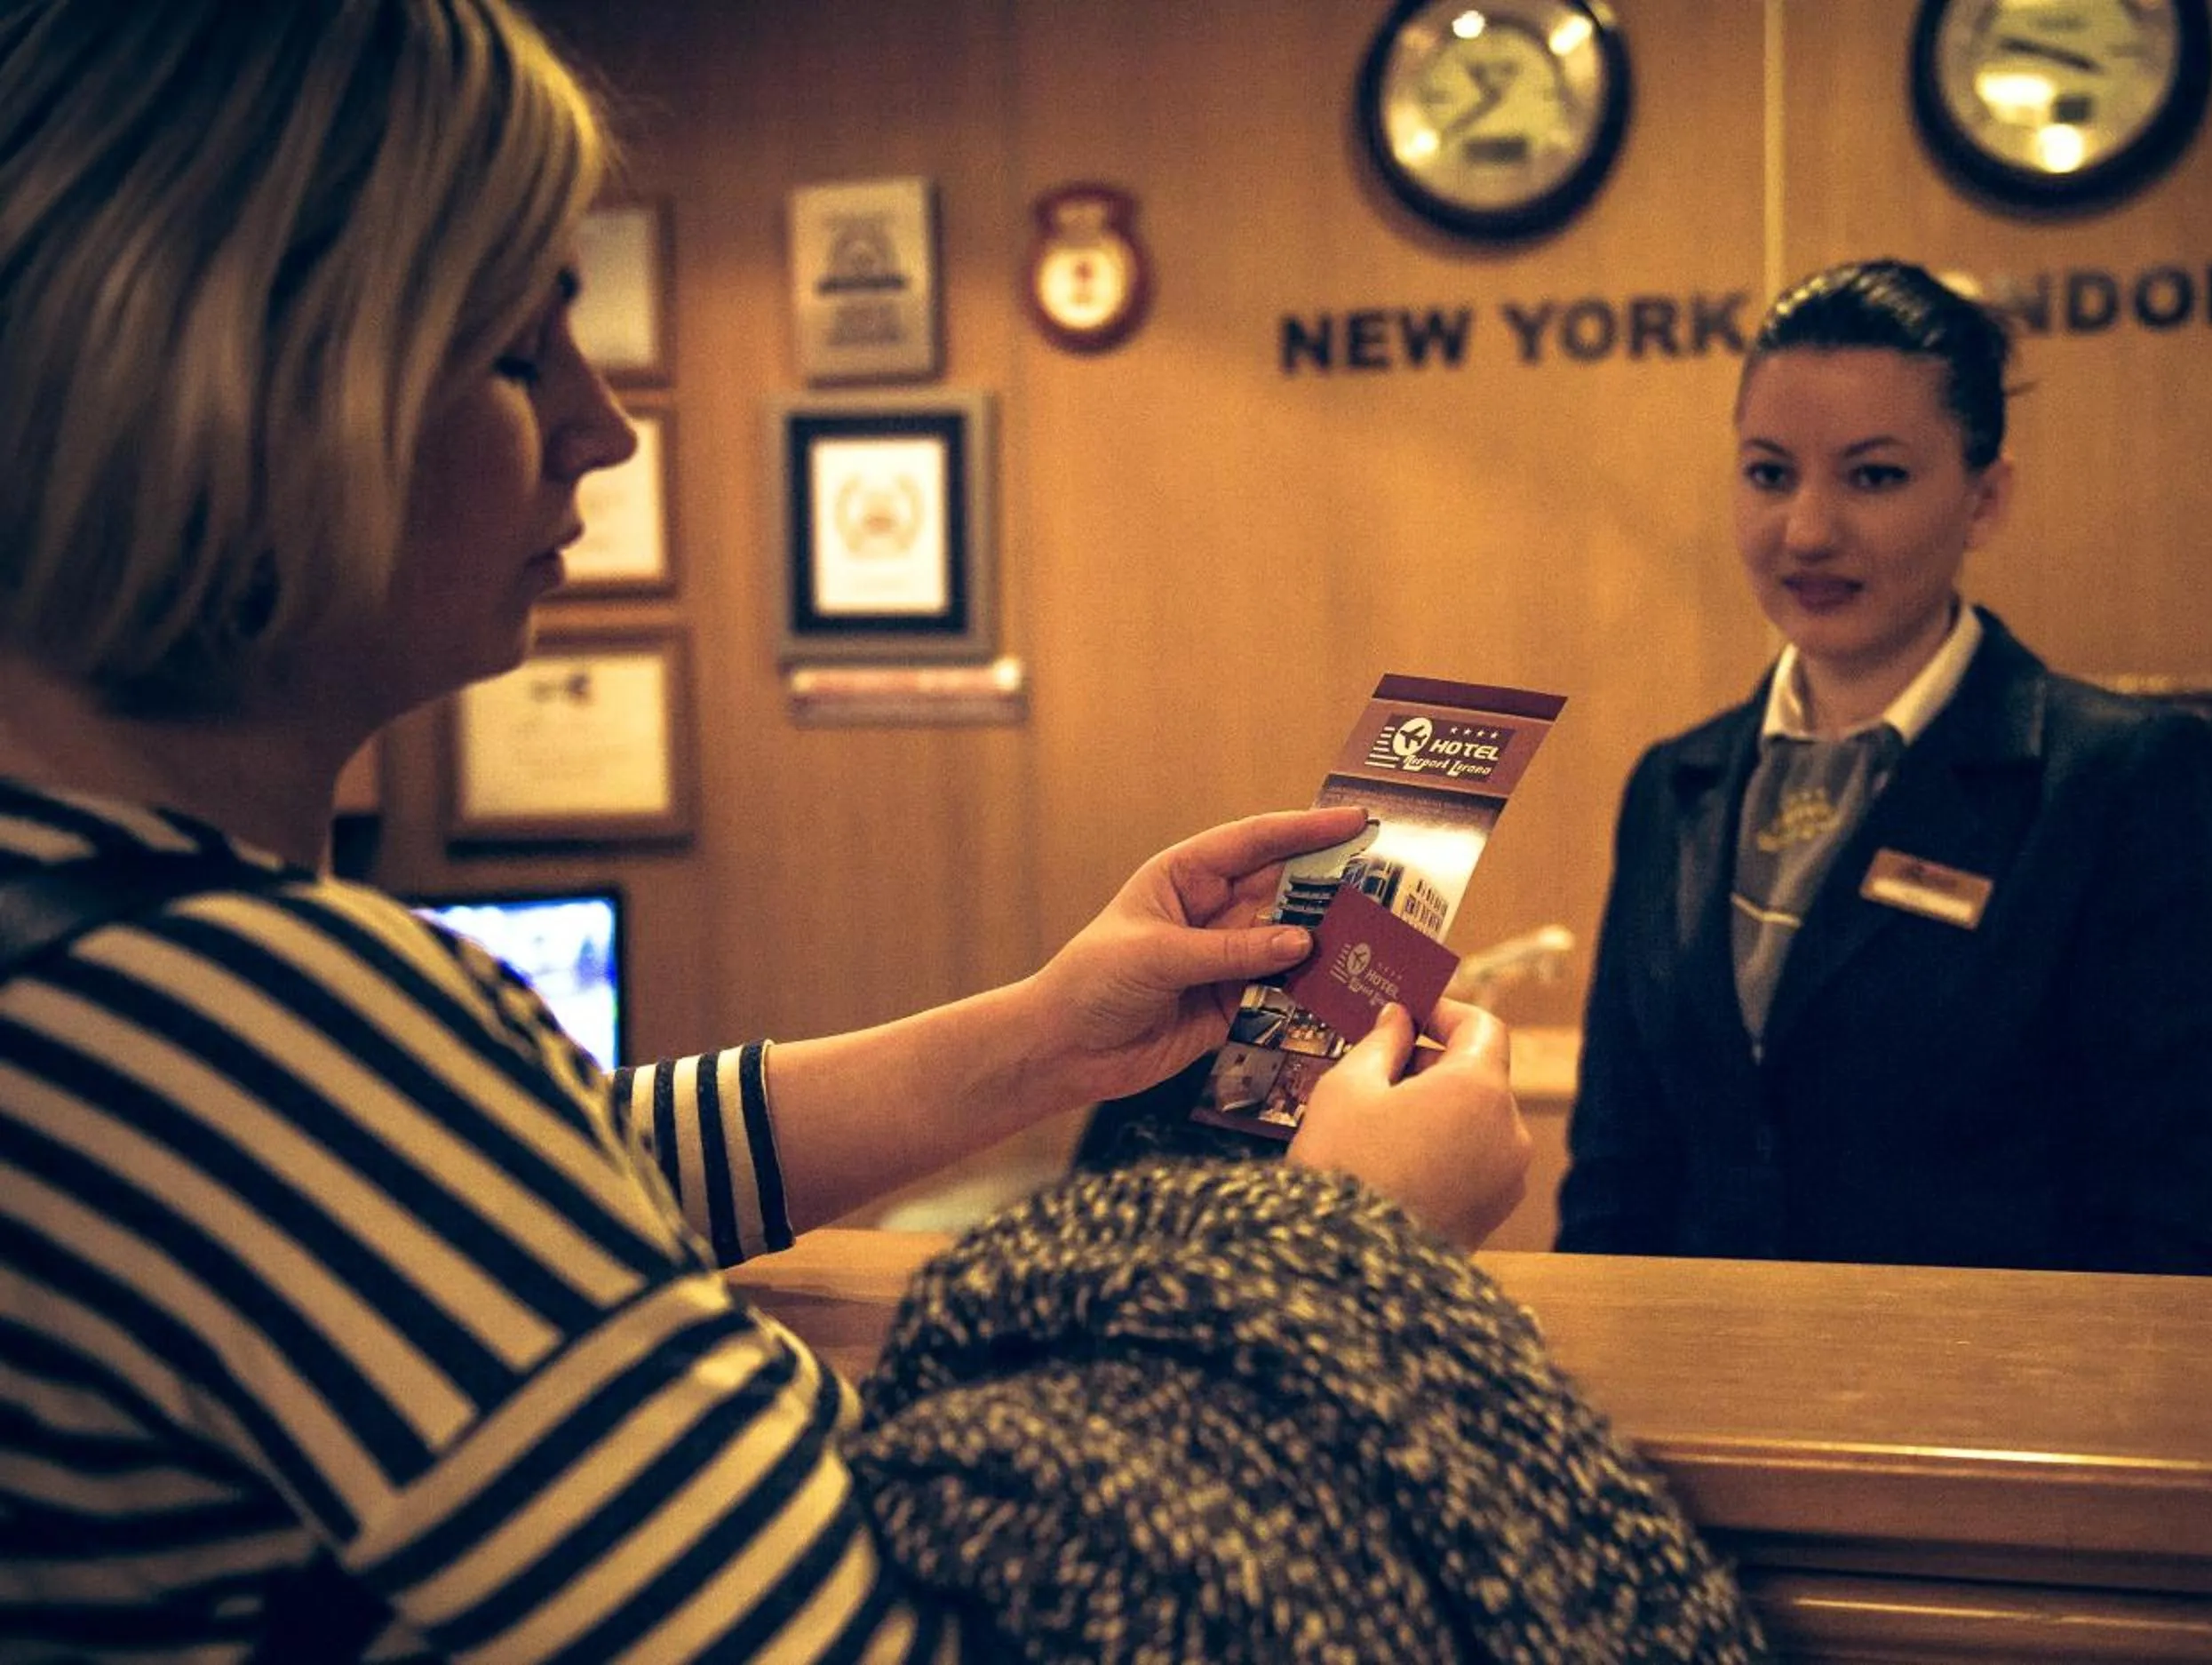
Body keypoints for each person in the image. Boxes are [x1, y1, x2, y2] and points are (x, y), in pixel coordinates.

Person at [0, 2, 1759, 1658]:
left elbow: (564, 1163)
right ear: (247, 389)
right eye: (518, 350)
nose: (603, 430)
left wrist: (1044, 1034)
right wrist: (1340, 1245)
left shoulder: (107, 956)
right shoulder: (246, 1026)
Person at [1556, 259, 2212, 1275]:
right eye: (1768, 471)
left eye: (1874, 475)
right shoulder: (1677, 782)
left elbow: (2162, 1214)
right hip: (1701, 1400)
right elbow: (1619, 1175)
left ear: (1985, 497)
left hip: (1987, 1410)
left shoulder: (2119, 780)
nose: (1806, 529)